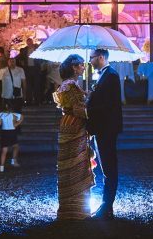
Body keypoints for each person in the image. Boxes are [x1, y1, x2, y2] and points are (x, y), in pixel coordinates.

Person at [54, 54, 93, 220]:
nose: (84, 68)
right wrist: (90, 102)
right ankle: (76, 209)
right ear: (74, 67)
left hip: (66, 123)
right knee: (76, 162)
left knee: (68, 162)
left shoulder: (67, 85)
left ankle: (68, 207)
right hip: (75, 124)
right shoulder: (71, 86)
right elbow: (79, 109)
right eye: (81, 65)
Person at [86, 48, 123, 219]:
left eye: (92, 58)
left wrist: (87, 108)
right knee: (106, 166)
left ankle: (107, 206)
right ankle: (106, 205)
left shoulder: (111, 76)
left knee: (109, 167)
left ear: (101, 57)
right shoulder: (105, 75)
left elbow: (109, 105)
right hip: (103, 127)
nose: (90, 61)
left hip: (106, 128)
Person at [0, 98, 23, 172]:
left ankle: (2, 167)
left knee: (4, 150)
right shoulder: (14, 115)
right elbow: (21, 117)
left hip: (4, 133)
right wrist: (16, 124)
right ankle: (13, 161)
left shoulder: (1, 114)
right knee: (15, 146)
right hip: (12, 132)